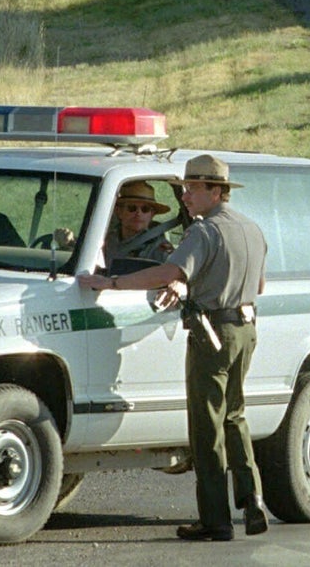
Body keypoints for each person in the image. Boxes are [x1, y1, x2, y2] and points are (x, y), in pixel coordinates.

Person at [78, 155, 269, 542]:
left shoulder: (203, 231)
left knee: (206, 427)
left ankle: (215, 520)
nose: (186, 196)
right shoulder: (250, 228)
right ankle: (252, 501)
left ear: (216, 192)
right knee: (234, 416)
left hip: (213, 332)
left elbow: (169, 273)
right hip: (246, 328)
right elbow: (260, 286)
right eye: (185, 188)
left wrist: (111, 284)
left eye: (193, 188)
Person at [99, 181, 176, 262]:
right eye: (132, 208)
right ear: (119, 212)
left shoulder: (159, 248)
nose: (138, 213)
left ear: (152, 215)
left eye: (145, 209)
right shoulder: (106, 239)